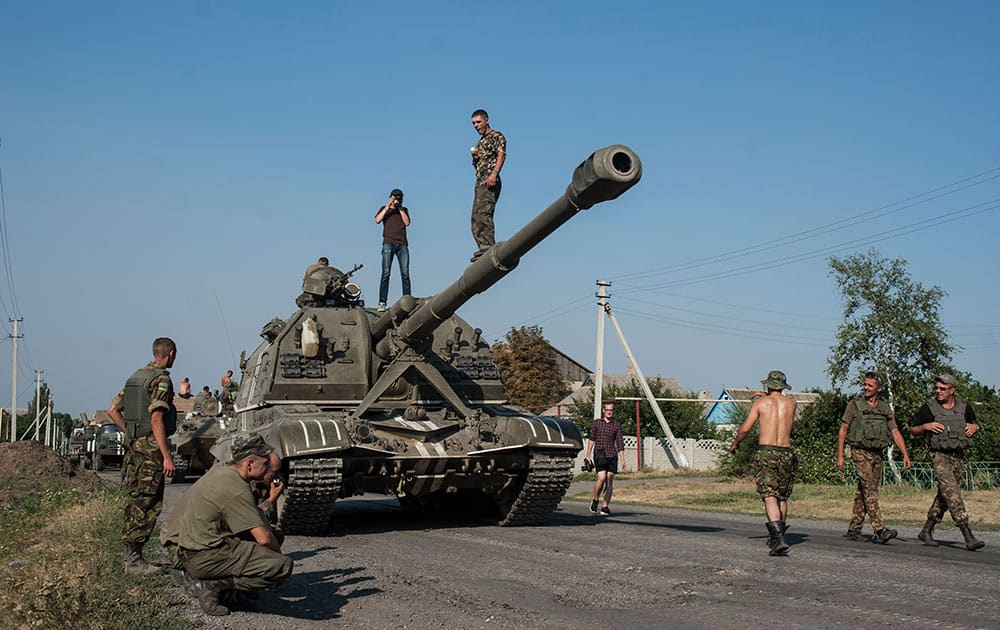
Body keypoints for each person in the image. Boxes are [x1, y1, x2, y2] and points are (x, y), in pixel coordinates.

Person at [161, 432, 293, 616]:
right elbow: (263, 538)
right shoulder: (236, 488)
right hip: (197, 555)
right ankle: (213, 586)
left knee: (275, 537)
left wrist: (270, 499)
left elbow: (248, 515)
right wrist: (273, 559)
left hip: (189, 545)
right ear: (249, 464)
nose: (269, 472)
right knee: (281, 565)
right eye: (266, 466)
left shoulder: (224, 470)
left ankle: (230, 592)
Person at [106, 336, 178, 575]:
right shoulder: (161, 380)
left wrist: (131, 434)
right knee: (147, 502)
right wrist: (166, 455)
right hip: (151, 450)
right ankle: (134, 561)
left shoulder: (135, 378)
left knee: (135, 500)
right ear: (170, 354)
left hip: (135, 447)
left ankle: (130, 558)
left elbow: (113, 410)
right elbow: (157, 417)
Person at [910, 373, 985, 551]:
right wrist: (925, 427)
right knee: (952, 492)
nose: (938, 391)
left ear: (952, 390)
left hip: (958, 455)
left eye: (942, 389)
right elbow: (913, 430)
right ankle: (967, 534)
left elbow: (973, 424)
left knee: (945, 495)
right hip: (939, 455)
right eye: (936, 388)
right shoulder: (928, 408)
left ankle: (926, 530)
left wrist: (975, 427)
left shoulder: (964, 407)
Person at [836, 371, 912, 543]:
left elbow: (895, 431)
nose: (866, 388)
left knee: (864, 490)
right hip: (859, 452)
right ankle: (879, 529)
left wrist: (905, 454)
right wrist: (840, 456)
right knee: (869, 488)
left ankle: (854, 528)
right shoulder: (854, 405)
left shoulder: (885, 408)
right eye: (865, 384)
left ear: (879, 389)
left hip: (877, 454)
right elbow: (843, 430)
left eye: (870, 385)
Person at [729, 370, 798, 556]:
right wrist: (770, 394)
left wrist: (736, 443)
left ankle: (777, 539)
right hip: (786, 453)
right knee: (782, 496)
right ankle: (780, 535)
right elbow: (779, 400)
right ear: (783, 386)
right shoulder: (792, 404)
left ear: (767, 384)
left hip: (767, 452)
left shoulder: (761, 403)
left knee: (769, 495)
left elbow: (745, 429)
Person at [469, 109, 506, 262]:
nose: (476, 126)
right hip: (480, 179)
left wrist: (494, 173)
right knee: (476, 216)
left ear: (486, 120)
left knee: (484, 213)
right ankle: (483, 248)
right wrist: (476, 158)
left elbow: (502, 154)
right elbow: (477, 167)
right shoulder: (480, 143)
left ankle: (487, 247)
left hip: (490, 177)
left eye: (478, 122)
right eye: (473, 123)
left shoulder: (496, 136)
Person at [583, 401, 625, 516]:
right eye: (607, 410)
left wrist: (622, 459)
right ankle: (595, 499)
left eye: (611, 410)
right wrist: (587, 455)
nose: (609, 412)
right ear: (603, 411)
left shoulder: (616, 425)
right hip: (600, 454)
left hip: (612, 455)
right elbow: (592, 439)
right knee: (601, 478)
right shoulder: (597, 423)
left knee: (609, 479)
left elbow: (620, 442)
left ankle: (605, 506)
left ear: (613, 411)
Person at [374, 188, 412, 312]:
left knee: (405, 273)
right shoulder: (384, 209)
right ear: (390, 197)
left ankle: (408, 300)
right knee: (386, 273)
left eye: (399, 198)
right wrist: (388, 206)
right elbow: (377, 220)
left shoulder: (403, 210)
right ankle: (382, 301)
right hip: (388, 243)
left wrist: (400, 208)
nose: (397, 199)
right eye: (395, 197)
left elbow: (407, 223)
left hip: (402, 245)